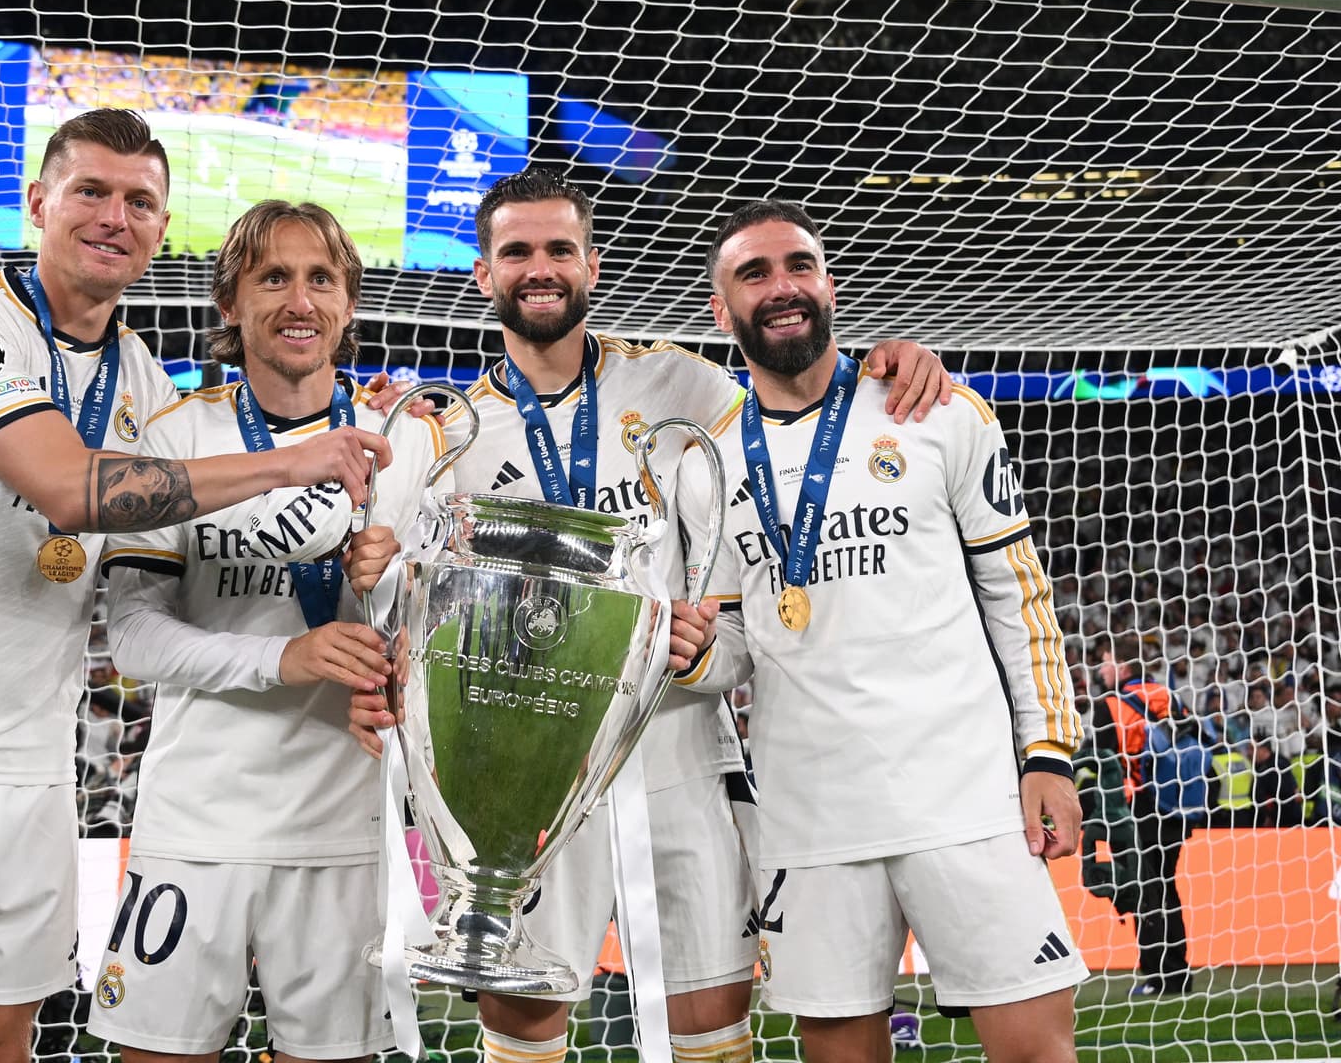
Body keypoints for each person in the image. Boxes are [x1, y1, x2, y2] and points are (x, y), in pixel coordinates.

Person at [0, 109, 391, 1063]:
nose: (115, 216)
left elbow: (173, 558)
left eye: (140, 201)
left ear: (160, 230)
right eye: (92, 192)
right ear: (38, 203)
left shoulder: (149, 388)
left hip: (34, 769)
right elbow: (69, 488)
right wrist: (290, 464)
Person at [349, 167, 951, 1063]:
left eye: (560, 248)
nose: (540, 267)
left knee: (712, 1031)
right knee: (522, 1027)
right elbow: (407, 611)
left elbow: (797, 425)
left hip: (680, 761)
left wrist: (884, 365)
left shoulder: (686, 388)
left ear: (593, 262)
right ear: (484, 274)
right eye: (517, 251)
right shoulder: (447, 436)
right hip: (523, 784)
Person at [679, 198, 1084, 1063]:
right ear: (722, 311)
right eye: (754, 273)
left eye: (799, 266)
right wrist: (698, 654)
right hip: (811, 817)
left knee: (1037, 1054)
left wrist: (1048, 753)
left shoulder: (935, 411)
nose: (782, 287)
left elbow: (1019, 593)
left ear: (829, 284)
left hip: (963, 799)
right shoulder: (704, 464)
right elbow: (745, 641)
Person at [86, 199, 447, 1061]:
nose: (300, 298)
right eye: (273, 277)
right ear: (229, 305)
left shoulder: (415, 446)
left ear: (350, 304)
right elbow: (132, 635)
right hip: (196, 827)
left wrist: (397, 582)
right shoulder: (176, 436)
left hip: (344, 835)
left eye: (322, 278)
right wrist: (285, 656)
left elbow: (440, 648)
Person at [1092, 640, 1193, 995]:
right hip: (1176, 806)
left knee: (1144, 890)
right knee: (1167, 885)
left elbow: (1104, 763)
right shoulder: (1169, 695)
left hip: (1136, 808)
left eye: (1105, 662)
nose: (1100, 670)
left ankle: (1157, 974)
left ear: (1122, 666)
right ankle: (1179, 971)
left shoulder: (1109, 706)